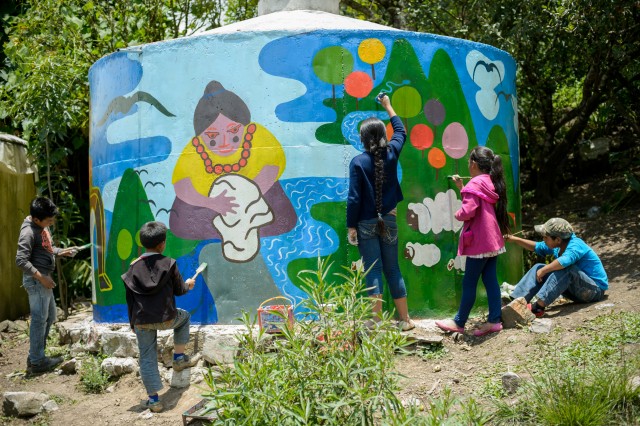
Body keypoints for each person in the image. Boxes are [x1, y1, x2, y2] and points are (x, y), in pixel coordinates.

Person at [347, 93, 415, 331]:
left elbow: (354, 198)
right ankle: (405, 320)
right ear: (384, 137)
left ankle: (375, 322)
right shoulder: (392, 153)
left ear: (364, 139)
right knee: (392, 268)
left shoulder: (357, 162)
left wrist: (351, 226)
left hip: (365, 222)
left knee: (373, 269)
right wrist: (387, 105)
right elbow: (401, 132)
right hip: (390, 219)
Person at [121, 221, 201, 413]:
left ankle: (154, 401)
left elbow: (130, 299)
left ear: (142, 244)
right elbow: (180, 290)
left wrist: (133, 323)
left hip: (141, 321)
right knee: (185, 317)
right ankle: (179, 357)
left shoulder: (132, 268)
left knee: (147, 357)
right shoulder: (170, 263)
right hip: (167, 318)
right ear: (162, 243)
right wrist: (189, 284)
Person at [435, 146, 510, 337]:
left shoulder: (474, 185)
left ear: (474, 164)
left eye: (469, 162)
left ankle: (459, 322)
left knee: (469, 282)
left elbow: (468, 211)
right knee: (490, 280)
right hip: (493, 241)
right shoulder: (490, 182)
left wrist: (457, 213)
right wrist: (462, 188)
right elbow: (479, 199)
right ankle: (494, 320)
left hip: (479, 243)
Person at [15, 197, 76, 374]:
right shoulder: (28, 232)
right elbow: (20, 261)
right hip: (36, 281)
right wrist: (42, 278)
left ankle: (35, 356)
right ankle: (37, 362)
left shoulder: (41, 227)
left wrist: (61, 252)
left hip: (42, 280)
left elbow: (46, 248)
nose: (52, 222)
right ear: (36, 219)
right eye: (49, 220)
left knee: (49, 317)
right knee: (39, 320)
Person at [505, 218, 608, 317]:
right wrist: (515, 239)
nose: (543, 239)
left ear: (558, 239)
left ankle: (537, 308)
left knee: (565, 268)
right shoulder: (559, 245)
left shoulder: (576, 245)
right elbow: (536, 246)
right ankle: (515, 302)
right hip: (577, 290)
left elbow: (564, 261)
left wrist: (544, 270)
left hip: (594, 291)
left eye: (546, 237)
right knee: (538, 267)